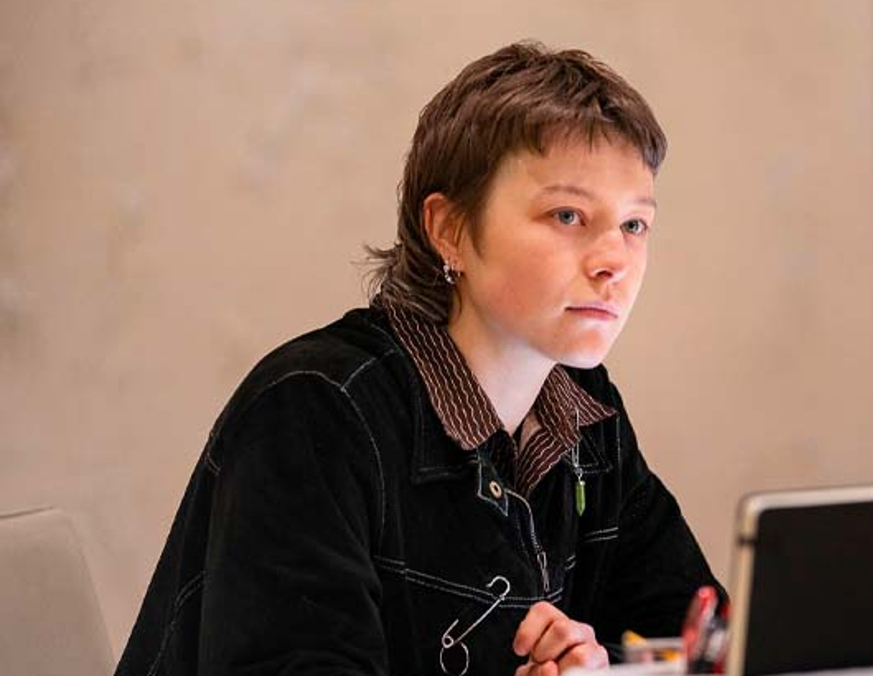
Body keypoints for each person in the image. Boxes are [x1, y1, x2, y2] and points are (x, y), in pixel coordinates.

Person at [115, 42, 721, 676]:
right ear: (450, 230)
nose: (613, 263)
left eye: (634, 225)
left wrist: (608, 668)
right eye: (567, 215)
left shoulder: (588, 417)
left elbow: (699, 647)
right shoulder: (314, 412)